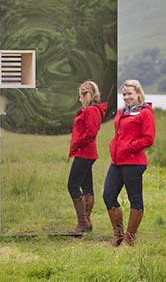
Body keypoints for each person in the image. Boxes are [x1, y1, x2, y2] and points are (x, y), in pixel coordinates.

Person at [103, 79, 155, 246]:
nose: (126, 97)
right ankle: (118, 235)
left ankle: (129, 238)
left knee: (135, 199)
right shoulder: (121, 112)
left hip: (134, 162)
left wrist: (129, 147)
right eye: (124, 94)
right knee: (108, 196)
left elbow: (148, 139)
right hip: (117, 161)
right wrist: (115, 146)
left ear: (138, 94)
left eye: (130, 94)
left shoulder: (145, 113)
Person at [68, 81, 108, 233]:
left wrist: (77, 143)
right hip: (86, 152)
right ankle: (87, 222)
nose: (79, 100)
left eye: (80, 96)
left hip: (85, 153)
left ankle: (82, 222)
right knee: (87, 187)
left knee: (72, 185)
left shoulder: (91, 111)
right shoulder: (93, 110)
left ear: (86, 94)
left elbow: (91, 133)